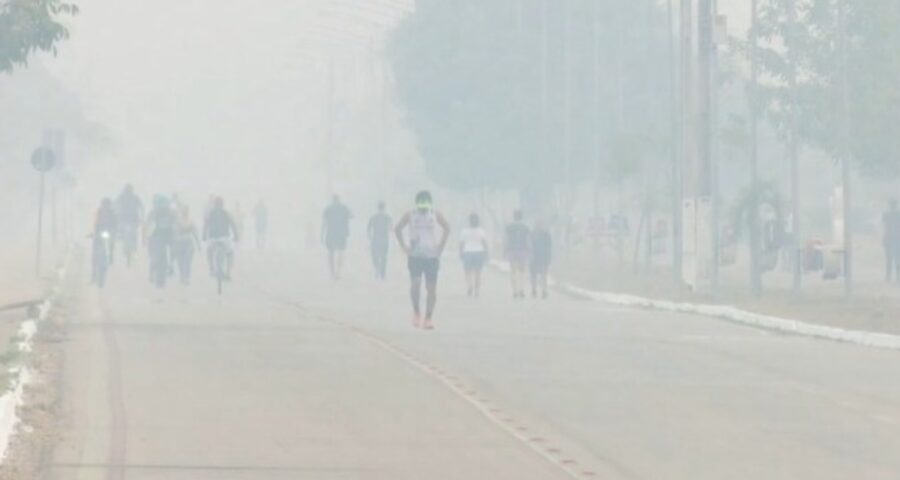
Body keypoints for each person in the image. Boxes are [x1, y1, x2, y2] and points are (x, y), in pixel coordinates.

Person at [395, 191, 450, 330]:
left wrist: (441, 246)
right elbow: (397, 228)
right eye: (421, 207)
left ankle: (429, 317)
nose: (423, 210)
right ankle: (416, 312)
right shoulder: (410, 214)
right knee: (416, 283)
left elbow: (447, 228)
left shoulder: (435, 214)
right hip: (415, 256)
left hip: (431, 256)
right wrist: (403, 246)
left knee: (431, 289)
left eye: (425, 207)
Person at [145, 195, 178, 289]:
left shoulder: (172, 213)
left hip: (169, 235)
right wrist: (146, 236)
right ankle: (152, 272)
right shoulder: (154, 212)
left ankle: (171, 264)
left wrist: (177, 233)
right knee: (155, 256)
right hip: (158, 236)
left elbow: (177, 223)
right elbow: (147, 224)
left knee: (174, 250)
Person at [203, 197, 240, 280]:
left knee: (209, 252)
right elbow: (233, 224)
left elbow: (206, 225)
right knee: (230, 254)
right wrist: (236, 236)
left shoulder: (211, 213)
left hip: (213, 238)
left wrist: (204, 236)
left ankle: (211, 268)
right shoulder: (226, 213)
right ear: (222, 204)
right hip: (225, 238)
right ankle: (228, 272)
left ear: (215, 205)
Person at [321, 195, 352, 279]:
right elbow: (350, 216)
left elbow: (324, 223)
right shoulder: (344, 208)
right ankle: (338, 272)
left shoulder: (328, 209)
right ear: (339, 200)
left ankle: (332, 272)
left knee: (331, 253)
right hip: (341, 234)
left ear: (333, 200)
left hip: (331, 233)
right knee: (341, 252)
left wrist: (322, 234)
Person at [459, 213, 489, 297]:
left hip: (467, 252)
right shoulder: (481, 231)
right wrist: (486, 252)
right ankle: (477, 290)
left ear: (469, 221)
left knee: (468, 272)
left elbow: (461, 244)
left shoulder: (464, 231)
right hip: (479, 252)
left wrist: (460, 252)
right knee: (478, 272)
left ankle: (469, 285)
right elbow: (484, 243)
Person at [172, 204, 202, 285]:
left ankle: (187, 277)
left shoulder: (191, 221)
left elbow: (195, 233)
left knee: (187, 261)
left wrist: (199, 244)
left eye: (186, 211)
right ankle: (182, 275)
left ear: (188, 212)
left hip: (189, 243)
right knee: (180, 261)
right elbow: (174, 233)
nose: (185, 212)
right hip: (179, 243)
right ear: (181, 212)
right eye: (183, 211)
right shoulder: (178, 221)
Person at [504, 210, 531, 299]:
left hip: (512, 250)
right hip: (522, 250)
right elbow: (527, 240)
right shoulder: (526, 227)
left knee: (513, 271)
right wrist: (529, 249)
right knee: (522, 271)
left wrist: (505, 250)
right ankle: (521, 289)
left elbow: (507, 240)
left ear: (514, 216)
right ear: (521, 216)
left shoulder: (509, 227)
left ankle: (514, 291)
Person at [115, 184, 144, 264]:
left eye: (129, 190)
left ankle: (134, 246)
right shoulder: (124, 197)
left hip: (132, 219)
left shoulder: (134, 198)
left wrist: (142, 216)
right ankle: (122, 238)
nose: (128, 192)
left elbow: (141, 207)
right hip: (125, 219)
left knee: (134, 233)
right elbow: (115, 204)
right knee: (121, 230)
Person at [92, 198, 118, 285]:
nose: (105, 207)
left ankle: (111, 255)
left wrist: (115, 232)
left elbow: (115, 224)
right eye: (104, 205)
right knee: (94, 253)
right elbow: (94, 223)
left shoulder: (113, 214)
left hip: (109, 233)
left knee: (111, 244)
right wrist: (93, 233)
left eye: (107, 205)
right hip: (99, 234)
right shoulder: (98, 213)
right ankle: (93, 274)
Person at [367, 202, 393, 280]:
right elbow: (391, 227)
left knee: (374, 256)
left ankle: (377, 267)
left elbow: (368, 228)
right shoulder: (388, 217)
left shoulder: (373, 217)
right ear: (384, 207)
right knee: (384, 257)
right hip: (384, 239)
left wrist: (369, 236)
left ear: (378, 208)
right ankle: (383, 274)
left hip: (375, 238)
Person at [530, 219, 553, 299]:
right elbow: (549, 247)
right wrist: (549, 258)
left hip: (536, 257)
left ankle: (535, 290)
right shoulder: (546, 235)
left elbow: (529, 246)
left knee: (535, 275)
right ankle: (543, 291)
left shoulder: (532, 234)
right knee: (543, 275)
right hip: (543, 257)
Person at [883, 199, 900, 282]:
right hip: (896, 239)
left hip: (890, 238)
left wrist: (884, 238)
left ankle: (889, 276)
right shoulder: (898, 215)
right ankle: (897, 276)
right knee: (897, 258)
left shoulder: (886, 215)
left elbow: (884, 227)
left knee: (889, 258)